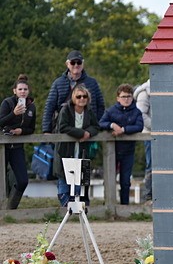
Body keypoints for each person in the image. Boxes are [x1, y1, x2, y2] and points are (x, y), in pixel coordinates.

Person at [54, 86, 102, 207]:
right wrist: (81, 133)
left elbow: (96, 126)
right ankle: (65, 205)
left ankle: (76, 205)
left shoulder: (89, 111)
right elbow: (62, 127)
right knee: (64, 176)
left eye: (84, 96)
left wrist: (88, 133)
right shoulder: (66, 110)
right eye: (78, 96)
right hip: (66, 148)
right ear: (73, 98)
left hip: (82, 149)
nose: (82, 99)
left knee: (79, 178)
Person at [99, 83, 145, 205]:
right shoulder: (110, 111)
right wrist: (112, 125)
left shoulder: (136, 112)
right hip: (111, 151)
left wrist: (123, 130)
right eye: (123, 96)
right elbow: (101, 123)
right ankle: (108, 205)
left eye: (129, 96)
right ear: (118, 98)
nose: (126, 99)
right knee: (109, 179)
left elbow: (139, 126)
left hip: (128, 151)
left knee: (125, 181)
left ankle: (124, 206)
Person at [42, 50, 104, 133]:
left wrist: (95, 126)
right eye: (72, 63)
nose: (76, 65)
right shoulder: (58, 83)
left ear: (83, 64)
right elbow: (49, 107)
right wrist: (46, 130)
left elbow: (101, 106)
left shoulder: (92, 83)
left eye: (79, 62)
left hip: (87, 129)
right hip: (64, 128)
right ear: (67, 64)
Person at [0, 75, 36, 209]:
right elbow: (1, 122)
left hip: (17, 147)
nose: (23, 91)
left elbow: (31, 129)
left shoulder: (31, 107)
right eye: (20, 89)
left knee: (22, 181)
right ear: (14, 90)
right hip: (3, 147)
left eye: (25, 89)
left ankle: (11, 208)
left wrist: (21, 131)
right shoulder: (7, 103)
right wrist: (14, 114)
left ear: (28, 91)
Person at [134, 80, 152, 201]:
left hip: (165, 135)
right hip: (149, 135)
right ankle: (149, 195)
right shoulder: (144, 93)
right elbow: (141, 114)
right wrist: (158, 127)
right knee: (151, 164)